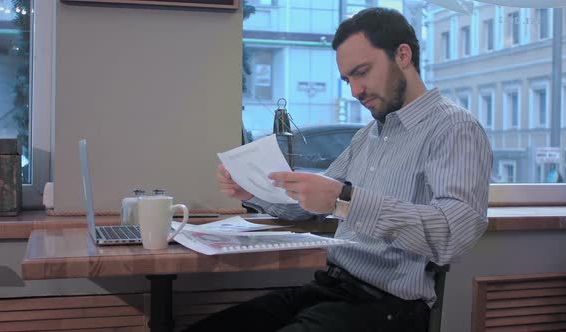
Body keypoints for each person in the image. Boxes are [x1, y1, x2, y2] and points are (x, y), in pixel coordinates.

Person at [185, 7, 492, 332]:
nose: (355, 91)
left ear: (403, 55)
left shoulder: (454, 128)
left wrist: (344, 199)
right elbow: (312, 203)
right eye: (348, 79)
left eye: (363, 72)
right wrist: (254, 191)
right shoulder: (369, 135)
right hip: (330, 288)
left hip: (389, 307)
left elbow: (454, 236)